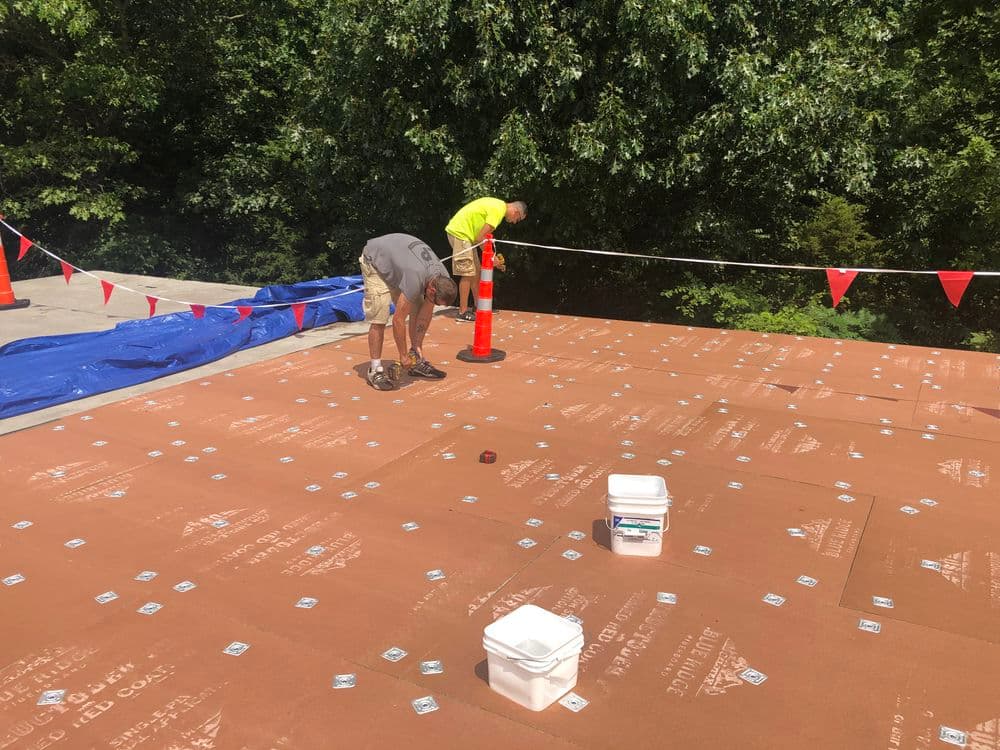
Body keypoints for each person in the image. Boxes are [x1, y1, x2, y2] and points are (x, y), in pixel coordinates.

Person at [359, 233, 458, 391]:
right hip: (375, 261)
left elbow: (424, 315)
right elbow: (398, 320)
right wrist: (403, 355)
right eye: (434, 301)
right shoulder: (415, 277)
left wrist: (416, 347)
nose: (433, 304)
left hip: (400, 265)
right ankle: (375, 369)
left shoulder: (442, 278)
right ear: (432, 290)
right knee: (380, 314)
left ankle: (416, 361)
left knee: (418, 306)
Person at [445, 198, 527, 321]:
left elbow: (481, 238)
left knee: (476, 272)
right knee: (468, 273)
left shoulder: (498, 207)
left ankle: (479, 306)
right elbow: (480, 237)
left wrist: (492, 257)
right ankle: (462, 312)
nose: (515, 222)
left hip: (466, 235)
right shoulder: (498, 211)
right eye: (518, 218)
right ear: (516, 211)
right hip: (460, 234)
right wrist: (492, 258)